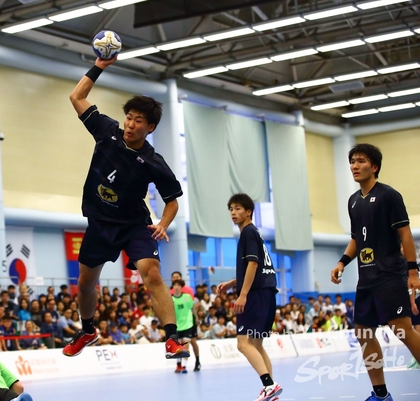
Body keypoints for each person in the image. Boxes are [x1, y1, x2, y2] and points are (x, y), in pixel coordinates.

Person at [62, 56, 187, 361]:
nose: (130, 124)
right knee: (85, 283)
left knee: (152, 272)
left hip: (134, 226)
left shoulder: (154, 163)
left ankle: (172, 339)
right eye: (129, 117)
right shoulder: (107, 131)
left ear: (150, 127)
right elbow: (76, 97)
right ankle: (87, 330)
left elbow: (172, 200)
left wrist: (163, 224)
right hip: (100, 222)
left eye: (138, 121)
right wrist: (100, 66)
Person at [330, 144, 420, 400]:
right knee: (363, 332)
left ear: (374, 166)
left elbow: (406, 235)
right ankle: (381, 395)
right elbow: (356, 239)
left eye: (361, 161)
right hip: (366, 279)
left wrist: (412, 272)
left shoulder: (389, 195)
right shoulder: (353, 201)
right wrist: (342, 263)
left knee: (402, 330)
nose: (355, 166)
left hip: (390, 275)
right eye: (352, 161)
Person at [218, 193, 282, 401]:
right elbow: (255, 267)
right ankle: (271, 390)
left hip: (255, 295)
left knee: (243, 343)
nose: (233, 213)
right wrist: (232, 283)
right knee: (256, 344)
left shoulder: (248, 233)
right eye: (231, 209)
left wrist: (242, 294)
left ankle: (269, 385)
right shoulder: (255, 234)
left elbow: (253, 264)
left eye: (238, 208)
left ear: (248, 212)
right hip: (267, 293)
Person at [171, 279, 200, 373]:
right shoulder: (171, 299)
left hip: (188, 324)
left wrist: (196, 318)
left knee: (186, 345)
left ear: (181, 287)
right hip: (177, 326)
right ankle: (178, 364)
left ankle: (184, 366)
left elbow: (192, 308)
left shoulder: (187, 297)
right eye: (175, 285)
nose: (176, 287)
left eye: (178, 285)